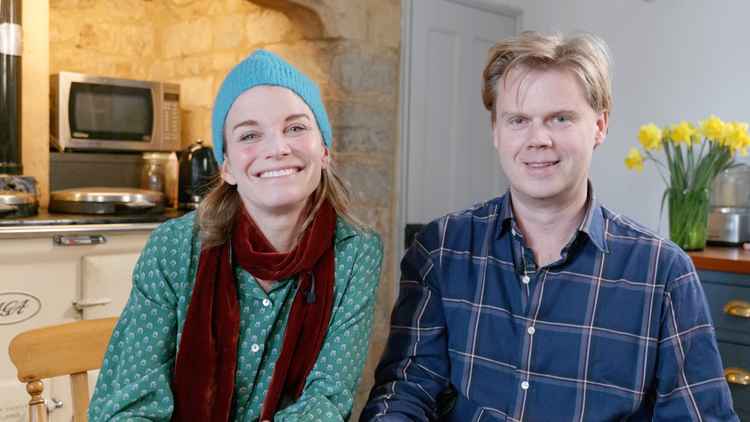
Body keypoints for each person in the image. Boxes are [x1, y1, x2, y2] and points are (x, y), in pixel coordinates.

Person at [361, 32, 737, 421]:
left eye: (560, 118)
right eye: (518, 120)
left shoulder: (663, 273)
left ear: (600, 126)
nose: (538, 139)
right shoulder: (441, 249)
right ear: (496, 131)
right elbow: (407, 389)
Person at [89, 50, 383, 421]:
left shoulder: (357, 251)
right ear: (226, 166)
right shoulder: (174, 248)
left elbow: (325, 401)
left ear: (324, 150)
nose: (277, 148)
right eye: (250, 134)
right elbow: (129, 405)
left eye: (295, 127)